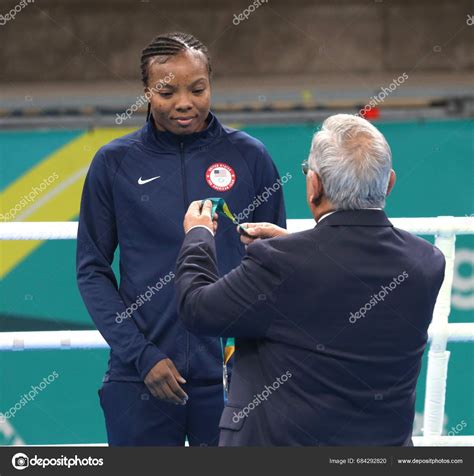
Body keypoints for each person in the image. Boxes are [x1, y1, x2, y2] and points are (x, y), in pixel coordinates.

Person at [175, 113, 446, 446]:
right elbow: (338, 285)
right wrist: (290, 246)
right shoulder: (428, 263)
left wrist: (198, 236)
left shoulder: (281, 263)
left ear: (314, 184)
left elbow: (195, 308)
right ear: (389, 183)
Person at [76, 32, 286, 446]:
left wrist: (253, 362)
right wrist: (141, 356)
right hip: (139, 377)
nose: (184, 102)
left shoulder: (251, 157)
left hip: (234, 381)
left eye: (198, 88)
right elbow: (92, 271)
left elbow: (276, 265)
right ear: (146, 92)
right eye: (167, 91)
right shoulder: (114, 163)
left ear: (211, 84)